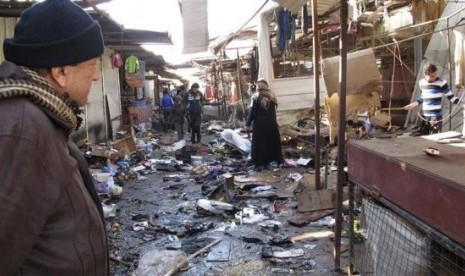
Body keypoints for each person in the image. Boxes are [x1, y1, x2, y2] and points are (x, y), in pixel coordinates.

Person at [0, 0, 109, 274]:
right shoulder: (24, 127)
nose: (96, 76)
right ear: (61, 72)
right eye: (92, 65)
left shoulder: (44, 114)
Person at [404, 63, 462, 134]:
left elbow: (451, 97)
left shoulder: (442, 83)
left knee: (434, 138)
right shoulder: (421, 83)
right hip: (425, 116)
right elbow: (424, 97)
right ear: (425, 75)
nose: (435, 77)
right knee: (424, 138)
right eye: (432, 76)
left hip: (436, 116)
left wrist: (462, 104)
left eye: (436, 74)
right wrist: (414, 104)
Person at [246, 78, 283, 170]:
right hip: (271, 124)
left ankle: (260, 163)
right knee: (271, 142)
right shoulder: (272, 95)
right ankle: (274, 160)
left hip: (260, 125)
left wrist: (247, 123)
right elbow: (274, 109)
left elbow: (252, 112)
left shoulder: (255, 96)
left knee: (260, 143)